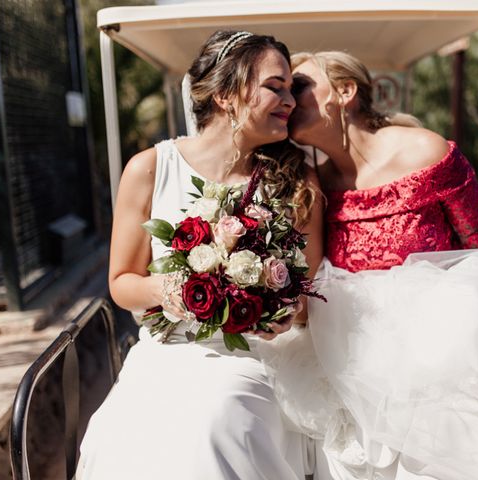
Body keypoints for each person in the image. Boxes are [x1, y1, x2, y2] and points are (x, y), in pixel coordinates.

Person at [260, 51, 478, 480]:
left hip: (443, 352)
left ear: (346, 92)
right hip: (351, 352)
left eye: (299, 86)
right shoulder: (316, 182)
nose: (289, 99)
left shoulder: (426, 152)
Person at [76, 31, 323, 480]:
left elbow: (307, 297)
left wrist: (283, 310)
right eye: (276, 86)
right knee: (118, 438)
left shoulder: (296, 182)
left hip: (253, 358)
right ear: (228, 94)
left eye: (291, 88)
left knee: (215, 423)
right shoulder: (149, 168)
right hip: (166, 352)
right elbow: (121, 284)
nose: (290, 99)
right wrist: (169, 287)